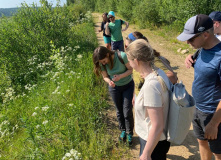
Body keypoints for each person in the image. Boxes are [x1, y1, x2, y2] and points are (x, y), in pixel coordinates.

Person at [178, 14, 221, 160]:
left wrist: (215, 123)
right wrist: (189, 57)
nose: (188, 42)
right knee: (202, 143)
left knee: (218, 152)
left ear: (206, 34)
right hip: (197, 109)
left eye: (191, 39)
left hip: (213, 114)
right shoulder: (202, 48)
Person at [125, 39, 171, 160]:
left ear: (136, 61)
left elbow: (157, 125)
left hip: (153, 141)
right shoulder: (159, 72)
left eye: (129, 60)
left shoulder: (152, 85)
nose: (129, 64)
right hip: (159, 139)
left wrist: (146, 153)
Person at [92, 46, 134, 146]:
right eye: (101, 62)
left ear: (107, 54)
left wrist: (120, 76)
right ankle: (123, 131)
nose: (103, 63)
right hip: (114, 88)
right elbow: (105, 77)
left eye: (103, 60)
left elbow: (131, 70)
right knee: (119, 111)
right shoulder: (102, 63)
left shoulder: (121, 56)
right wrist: (109, 82)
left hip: (127, 85)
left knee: (127, 111)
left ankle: (130, 133)